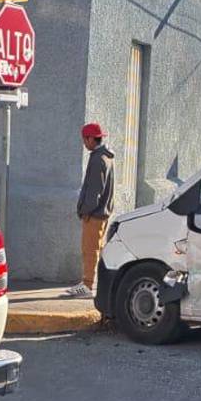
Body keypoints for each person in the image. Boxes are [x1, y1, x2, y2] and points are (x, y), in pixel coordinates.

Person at [66, 122, 115, 299]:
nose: (84, 144)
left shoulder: (97, 159)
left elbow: (94, 190)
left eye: (85, 140)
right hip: (102, 212)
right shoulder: (106, 157)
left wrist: (85, 210)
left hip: (94, 213)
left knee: (90, 249)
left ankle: (87, 285)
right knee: (96, 248)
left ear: (90, 139)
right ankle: (88, 282)